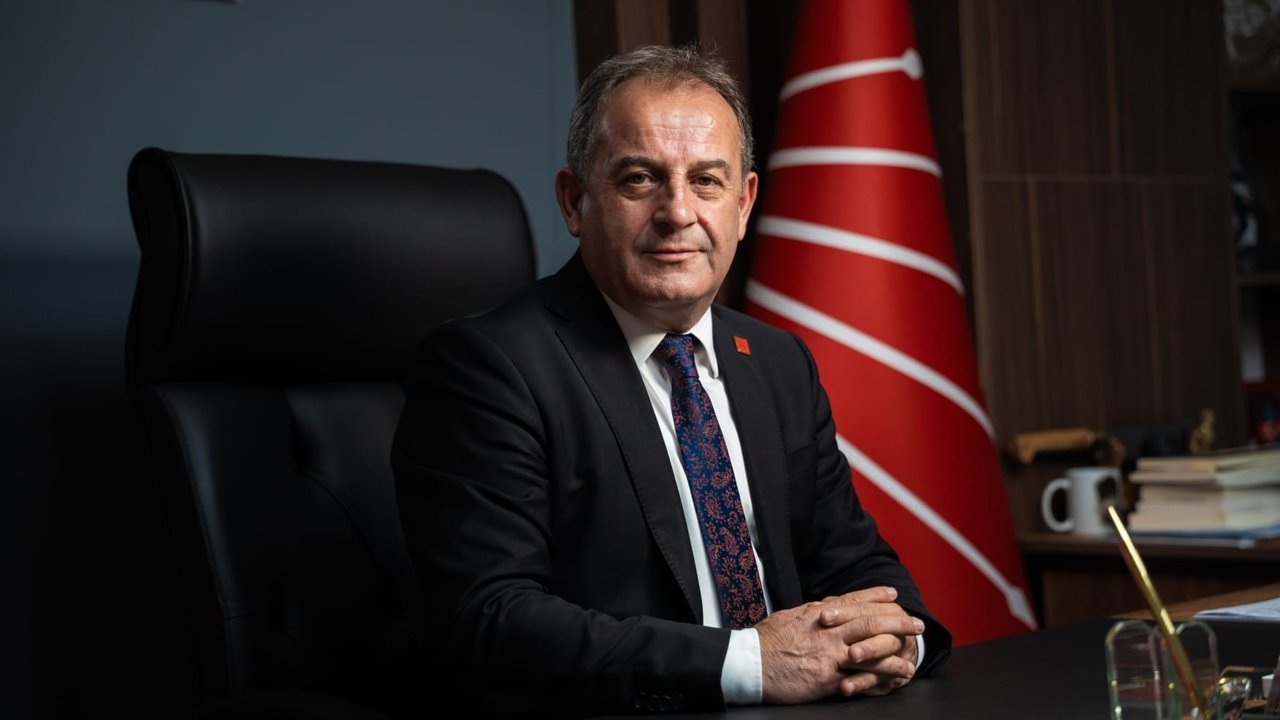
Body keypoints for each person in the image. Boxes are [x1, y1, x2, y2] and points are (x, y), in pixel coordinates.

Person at [391, 43, 952, 718]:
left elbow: (855, 563)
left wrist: (898, 641)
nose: (678, 212)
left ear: (743, 204)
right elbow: (493, 618)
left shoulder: (777, 362)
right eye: (640, 179)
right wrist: (751, 663)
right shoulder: (489, 367)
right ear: (574, 201)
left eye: (707, 181)